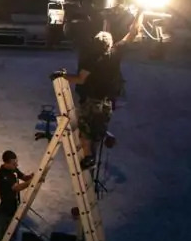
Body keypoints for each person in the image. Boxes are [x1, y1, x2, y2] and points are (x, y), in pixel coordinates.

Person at [54, 10, 144, 169]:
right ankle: (103, 135)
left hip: (92, 101)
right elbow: (133, 32)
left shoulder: (91, 59)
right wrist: (140, 12)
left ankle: (89, 157)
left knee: (84, 131)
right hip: (107, 101)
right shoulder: (115, 53)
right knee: (98, 125)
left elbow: (80, 79)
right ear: (109, 43)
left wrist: (62, 76)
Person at [0, 150, 34, 241]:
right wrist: (30, 183)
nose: (16, 165)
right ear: (6, 163)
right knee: (2, 240)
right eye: (14, 163)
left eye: (16, 162)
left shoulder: (13, 170)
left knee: (11, 239)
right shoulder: (3, 174)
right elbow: (16, 188)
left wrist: (32, 177)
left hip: (14, 208)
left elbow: (24, 177)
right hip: (6, 211)